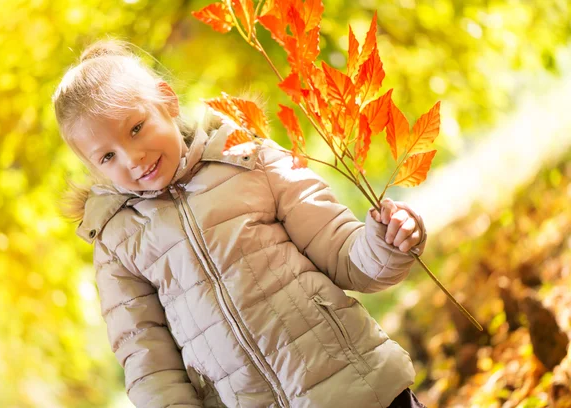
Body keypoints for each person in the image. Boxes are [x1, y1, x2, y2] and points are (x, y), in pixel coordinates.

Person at [53, 38, 428, 408]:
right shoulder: (118, 243)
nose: (132, 158)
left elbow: (345, 255)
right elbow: (149, 364)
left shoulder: (250, 160)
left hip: (359, 387)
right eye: (107, 156)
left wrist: (386, 241)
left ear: (166, 102)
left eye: (136, 128)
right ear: (92, 166)